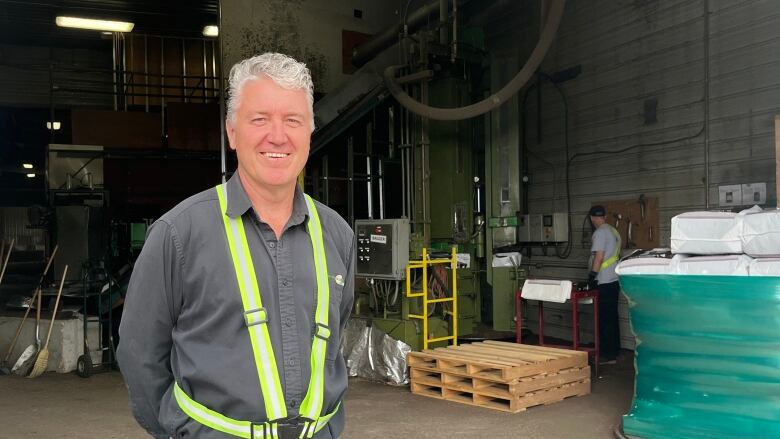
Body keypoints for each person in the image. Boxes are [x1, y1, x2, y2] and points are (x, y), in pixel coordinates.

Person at [117, 53, 355, 439]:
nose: (277, 136)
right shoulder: (179, 234)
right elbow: (139, 354)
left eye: (292, 120)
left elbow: (334, 339)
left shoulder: (337, 235)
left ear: (310, 131)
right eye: (259, 119)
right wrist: (180, 430)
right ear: (232, 132)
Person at [587, 205, 621, 364]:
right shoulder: (613, 231)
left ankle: (606, 354)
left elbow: (599, 257)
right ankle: (614, 352)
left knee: (604, 319)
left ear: (592, 218)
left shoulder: (600, 233)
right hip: (614, 280)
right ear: (605, 216)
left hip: (603, 281)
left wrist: (592, 277)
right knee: (612, 317)